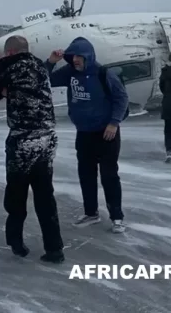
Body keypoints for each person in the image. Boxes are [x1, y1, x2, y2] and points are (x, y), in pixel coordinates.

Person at [0, 35, 65, 263]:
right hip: (47, 139)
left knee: (16, 195)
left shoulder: (8, 65)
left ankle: (16, 243)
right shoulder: (39, 65)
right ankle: (55, 249)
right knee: (45, 196)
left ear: (9, 52)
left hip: (23, 141)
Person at [45, 37, 129, 233]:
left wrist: (113, 123)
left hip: (106, 132)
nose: (75, 60)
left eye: (79, 57)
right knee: (86, 174)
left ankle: (117, 216)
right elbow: (45, 79)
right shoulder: (70, 72)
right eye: (72, 56)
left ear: (88, 57)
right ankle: (91, 213)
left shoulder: (103, 73)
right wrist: (50, 62)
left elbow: (121, 97)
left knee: (109, 175)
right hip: (83, 132)